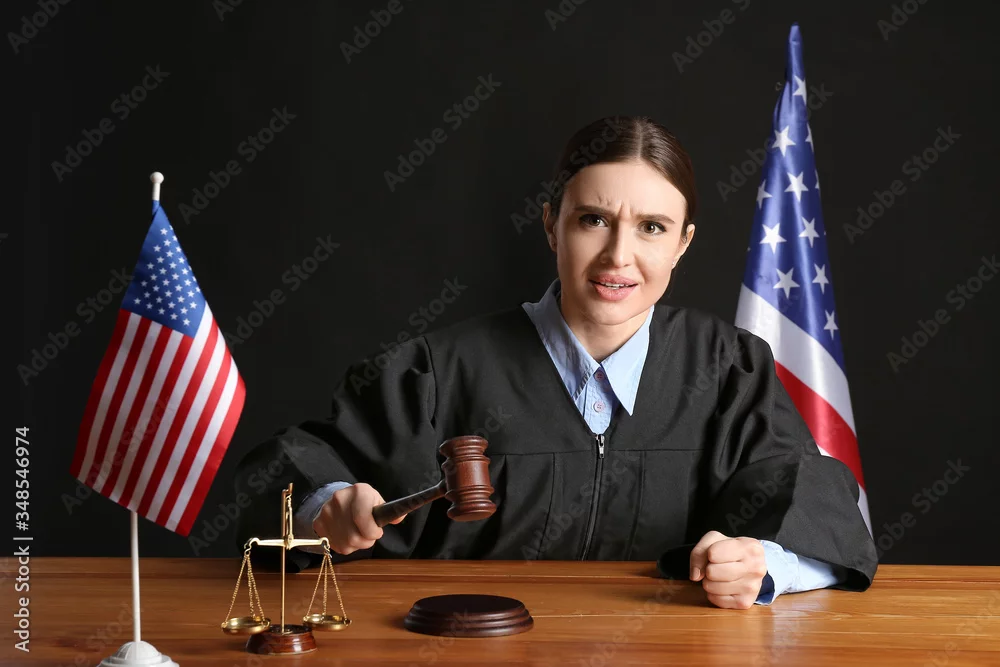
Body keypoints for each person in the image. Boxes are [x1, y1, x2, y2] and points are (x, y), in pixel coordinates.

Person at [234, 116, 877, 609]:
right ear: (551, 225)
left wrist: (766, 565)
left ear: (683, 243)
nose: (618, 256)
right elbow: (292, 469)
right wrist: (325, 506)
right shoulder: (436, 372)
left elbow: (816, 505)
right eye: (593, 220)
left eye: (652, 227)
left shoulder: (729, 371)